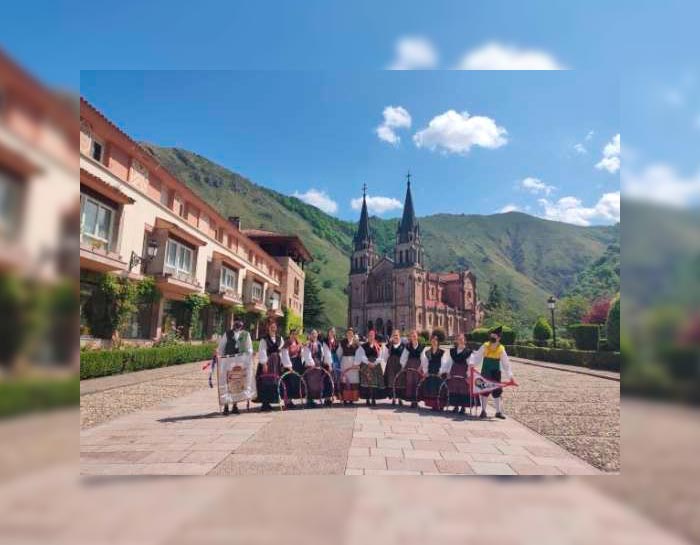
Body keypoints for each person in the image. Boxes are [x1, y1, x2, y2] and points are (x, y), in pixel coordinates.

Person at [469, 325, 513, 419]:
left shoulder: (501, 349)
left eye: (494, 336)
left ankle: (498, 412)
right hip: (486, 371)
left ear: (499, 338)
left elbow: (506, 363)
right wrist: (472, 364)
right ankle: (483, 411)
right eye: (491, 335)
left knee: (497, 391)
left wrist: (510, 376)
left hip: (496, 373)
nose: (492, 337)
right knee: (484, 390)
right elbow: (477, 356)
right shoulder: (485, 346)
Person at [216, 319, 253, 415]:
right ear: (234, 324)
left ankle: (235, 406)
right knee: (227, 384)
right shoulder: (227, 334)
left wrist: (249, 357)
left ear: (242, 324)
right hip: (228, 363)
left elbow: (249, 348)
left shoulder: (246, 334)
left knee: (237, 383)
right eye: (236, 323)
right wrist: (219, 357)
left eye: (239, 323)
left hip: (239, 363)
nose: (238, 325)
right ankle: (226, 406)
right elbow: (221, 347)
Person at [443, 333, 475, 414]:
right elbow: (449, 362)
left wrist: (469, 376)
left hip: (463, 373)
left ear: (465, 341)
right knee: (454, 389)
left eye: (462, 339)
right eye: (459, 339)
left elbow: (470, 365)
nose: (460, 341)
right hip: (454, 372)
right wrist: (448, 372)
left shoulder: (468, 352)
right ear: (457, 341)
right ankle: (456, 406)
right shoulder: (453, 351)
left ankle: (463, 407)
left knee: (463, 390)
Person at [256, 319, 284, 412]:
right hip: (268, 363)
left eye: (274, 327)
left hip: (276, 363)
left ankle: (272, 401)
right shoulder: (264, 339)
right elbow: (262, 351)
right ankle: (265, 404)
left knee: (275, 382)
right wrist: (264, 363)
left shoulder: (280, 338)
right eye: (271, 327)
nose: (273, 328)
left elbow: (281, 351)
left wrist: (282, 363)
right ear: (268, 328)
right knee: (266, 382)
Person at [302, 329, 333, 407]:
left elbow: (325, 354)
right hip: (310, 367)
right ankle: (309, 401)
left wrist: (327, 363)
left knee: (319, 383)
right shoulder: (308, 344)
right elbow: (306, 354)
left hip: (319, 366)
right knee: (310, 383)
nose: (314, 335)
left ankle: (321, 398)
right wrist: (312, 364)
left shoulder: (320, 344)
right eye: (312, 334)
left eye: (315, 333)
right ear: (310, 335)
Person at [356, 328, 386, 406]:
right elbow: (361, 355)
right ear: (367, 336)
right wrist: (368, 362)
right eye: (369, 335)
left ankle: (373, 399)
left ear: (374, 336)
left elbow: (381, 356)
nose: (371, 337)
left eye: (372, 335)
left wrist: (375, 363)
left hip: (375, 366)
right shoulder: (363, 346)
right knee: (366, 382)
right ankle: (367, 399)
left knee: (375, 383)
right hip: (366, 365)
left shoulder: (378, 346)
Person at [419, 333, 448, 411]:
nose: (434, 341)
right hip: (431, 371)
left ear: (438, 342)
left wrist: (441, 371)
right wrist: (426, 371)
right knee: (431, 388)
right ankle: (433, 405)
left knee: (439, 388)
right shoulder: (428, 352)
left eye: (436, 340)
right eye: (433, 340)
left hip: (439, 372)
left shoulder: (442, 352)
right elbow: (425, 363)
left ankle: (440, 405)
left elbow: (444, 362)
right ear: (431, 341)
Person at [399, 329, 424, 408]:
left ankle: (416, 401)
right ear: (410, 337)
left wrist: (421, 367)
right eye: (412, 336)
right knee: (410, 383)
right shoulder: (408, 346)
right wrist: (403, 366)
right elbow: (404, 357)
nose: (413, 337)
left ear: (417, 337)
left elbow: (423, 358)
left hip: (418, 367)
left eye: (414, 336)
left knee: (417, 383)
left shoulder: (421, 346)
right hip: (409, 366)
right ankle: (412, 401)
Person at [281, 329, 304, 408]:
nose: (294, 335)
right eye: (292, 334)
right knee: (288, 382)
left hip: (297, 363)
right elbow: (284, 354)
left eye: (295, 334)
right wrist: (288, 366)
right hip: (289, 364)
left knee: (294, 383)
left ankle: (290, 400)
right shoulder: (287, 343)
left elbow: (301, 352)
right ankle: (287, 401)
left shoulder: (298, 342)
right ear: (290, 335)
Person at [338, 327, 360, 404]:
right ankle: (344, 398)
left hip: (353, 364)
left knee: (353, 381)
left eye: (351, 333)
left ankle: (352, 399)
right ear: (346, 334)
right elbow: (339, 353)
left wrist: (357, 363)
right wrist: (338, 363)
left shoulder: (356, 343)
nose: (350, 335)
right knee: (345, 380)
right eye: (348, 333)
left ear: (353, 334)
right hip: (345, 363)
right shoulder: (342, 342)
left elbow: (359, 354)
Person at [384, 329, 405, 406]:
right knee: (392, 381)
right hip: (391, 365)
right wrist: (388, 362)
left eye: (397, 335)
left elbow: (405, 356)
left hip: (400, 364)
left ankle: (400, 398)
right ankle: (393, 398)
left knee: (400, 381)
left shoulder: (403, 345)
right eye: (394, 335)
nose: (395, 337)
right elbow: (385, 355)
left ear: (399, 336)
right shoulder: (389, 345)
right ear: (392, 336)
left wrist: (403, 365)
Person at [322, 327, 341, 399]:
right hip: (327, 361)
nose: (332, 333)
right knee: (327, 379)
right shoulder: (325, 341)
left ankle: (333, 395)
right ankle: (327, 397)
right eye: (330, 331)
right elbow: (326, 352)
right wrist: (329, 364)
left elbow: (339, 352)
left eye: (333, 331)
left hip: (335, 361)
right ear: (328, 332)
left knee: (335, 378)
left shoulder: (337, 341)